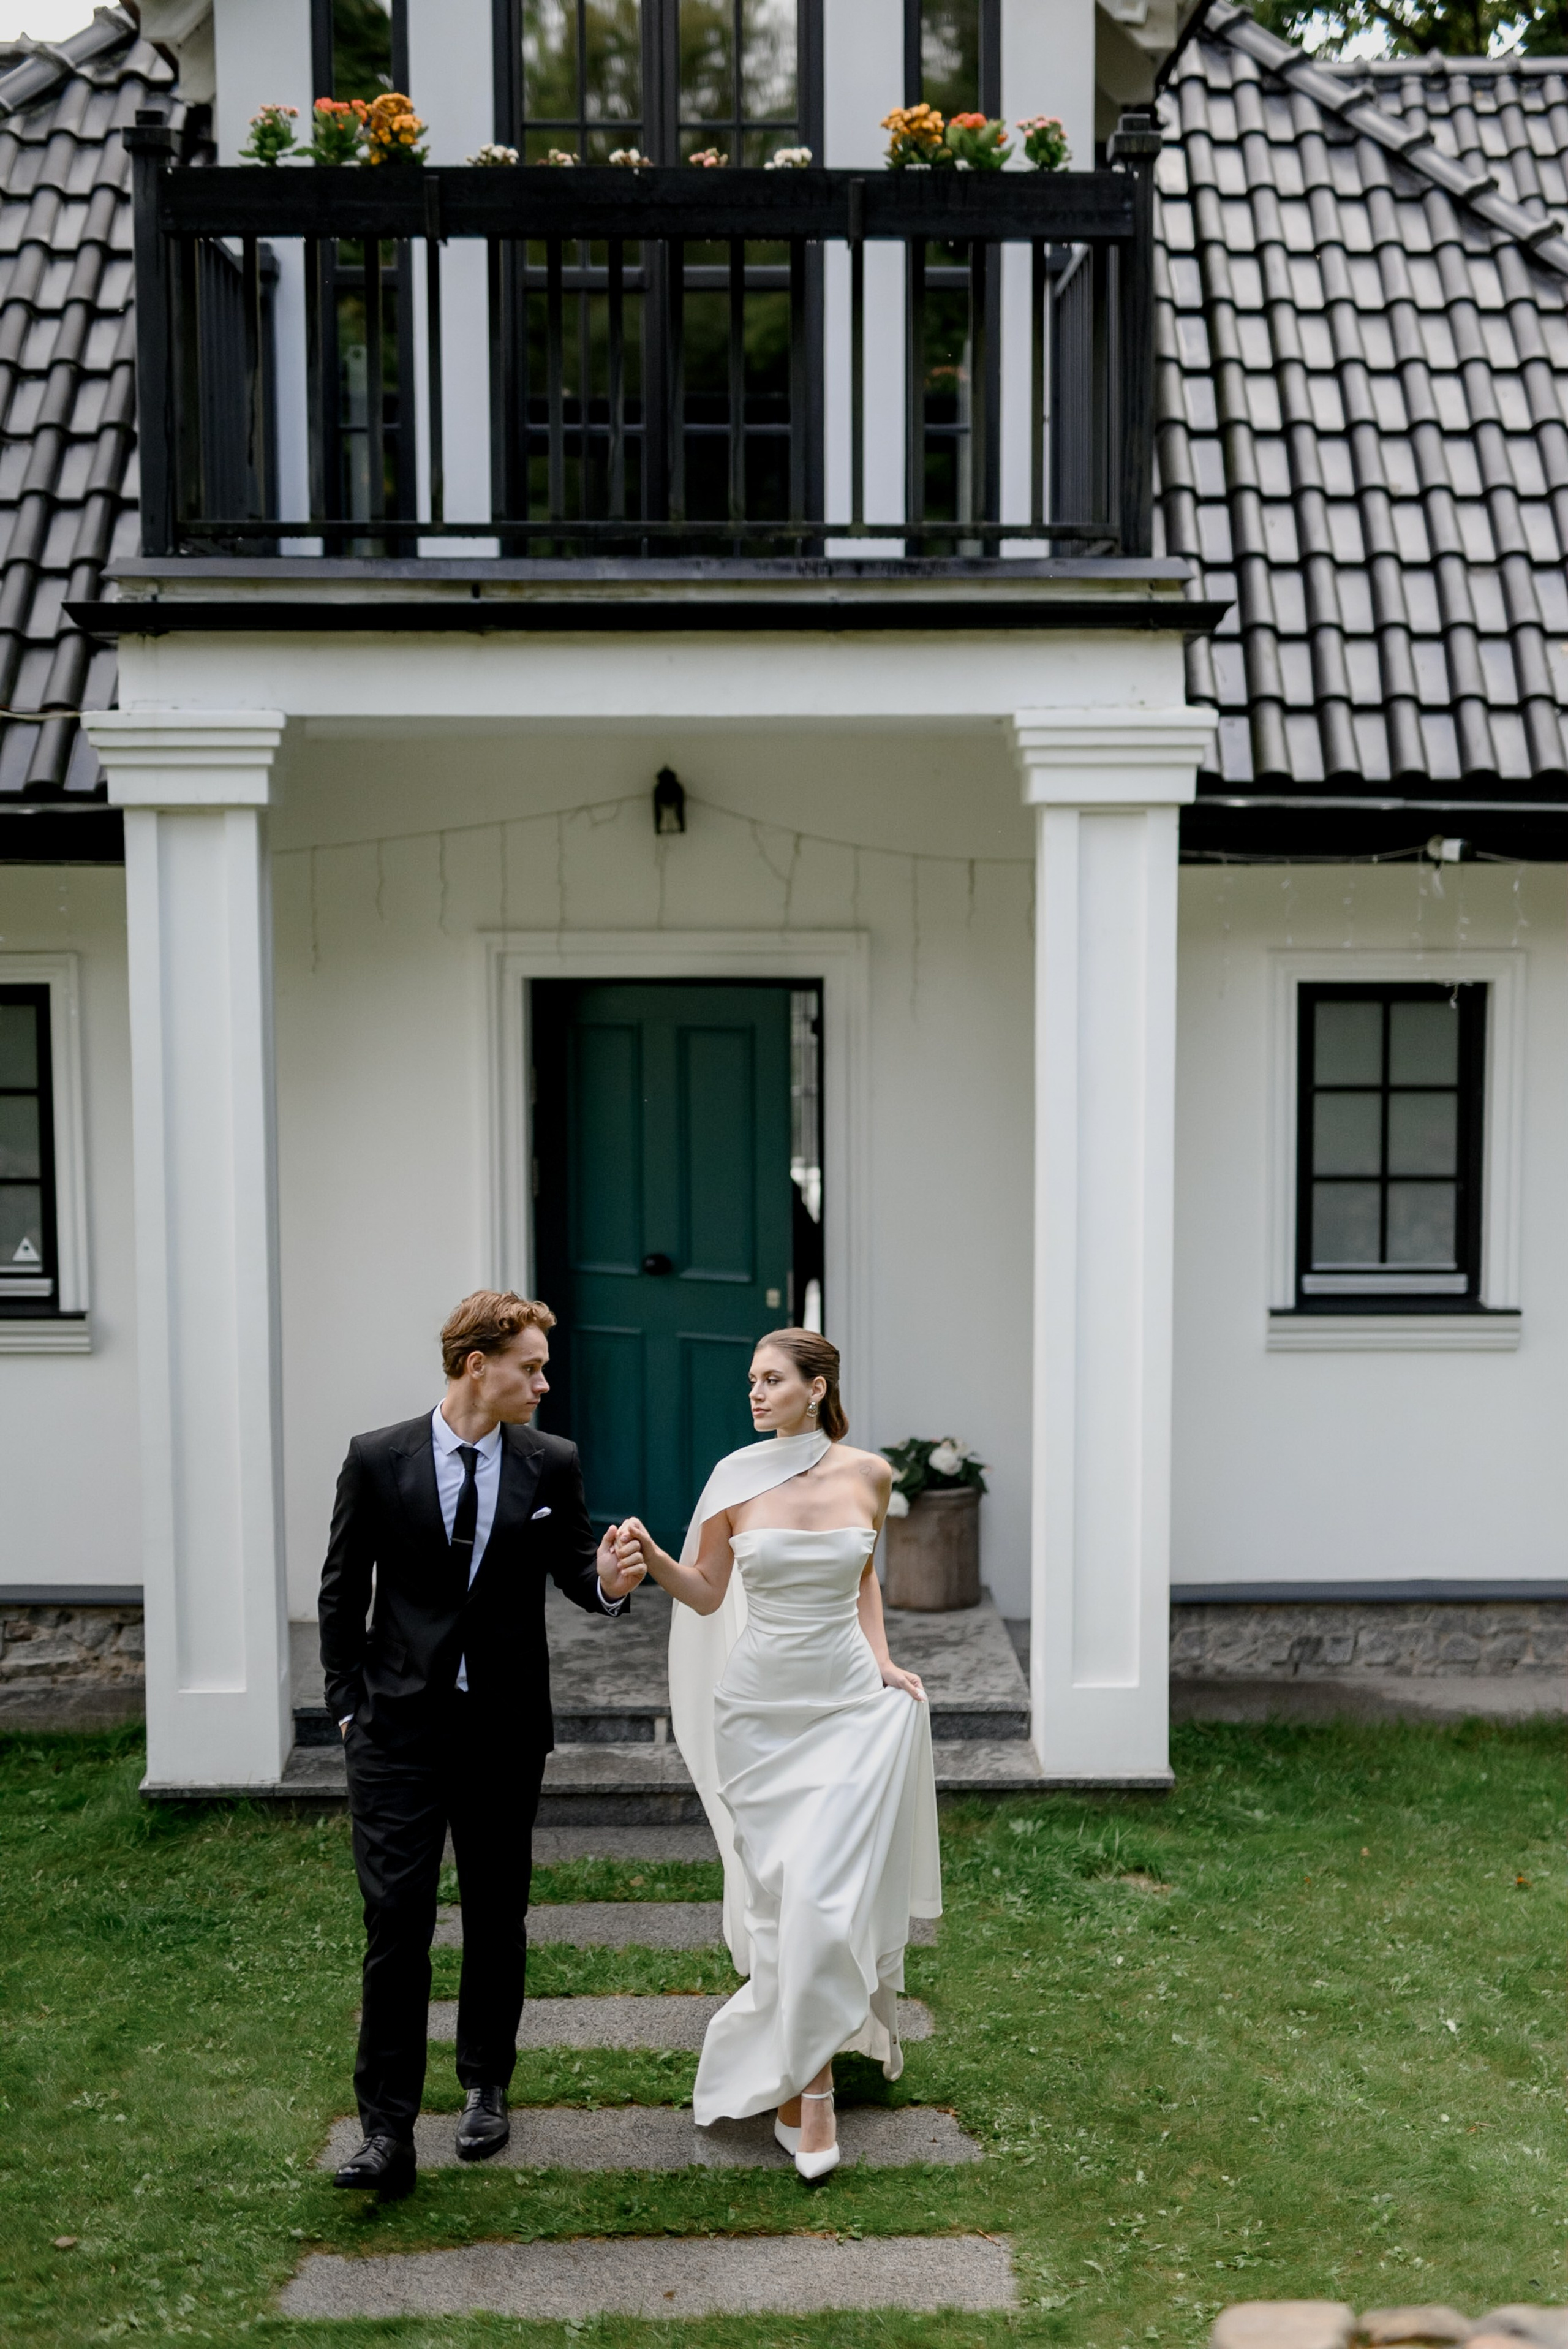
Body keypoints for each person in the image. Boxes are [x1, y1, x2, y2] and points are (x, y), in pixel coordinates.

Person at [318, 1290, 645, 2201]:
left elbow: (580, 1572)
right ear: (478, 1366)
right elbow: (343, 1592)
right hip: (395, 1733)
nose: (545, 1381)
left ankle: (484, 2085)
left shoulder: (552, 1463)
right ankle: (385, 2129)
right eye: (531, 1366)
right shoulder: (377, 1459)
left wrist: (610, 1580)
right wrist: (348, 1706)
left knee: (496, 1915)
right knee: (398, 1924)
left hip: (503, 1733)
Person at [612, 1328, 940, 2182]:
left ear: (816, 1386)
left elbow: (864, 1579)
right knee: (783, 1895)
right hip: (757, 1715)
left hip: (842, 1706)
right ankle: (808, 2080)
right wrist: (654, 1562)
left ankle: (816, 2089)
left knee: (825, 1898)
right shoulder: (733, 1478)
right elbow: (710, 1590)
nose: (754, 1394)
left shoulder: (870, 1473)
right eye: (751, 1381)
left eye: (770, 1380)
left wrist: (883, 1659)